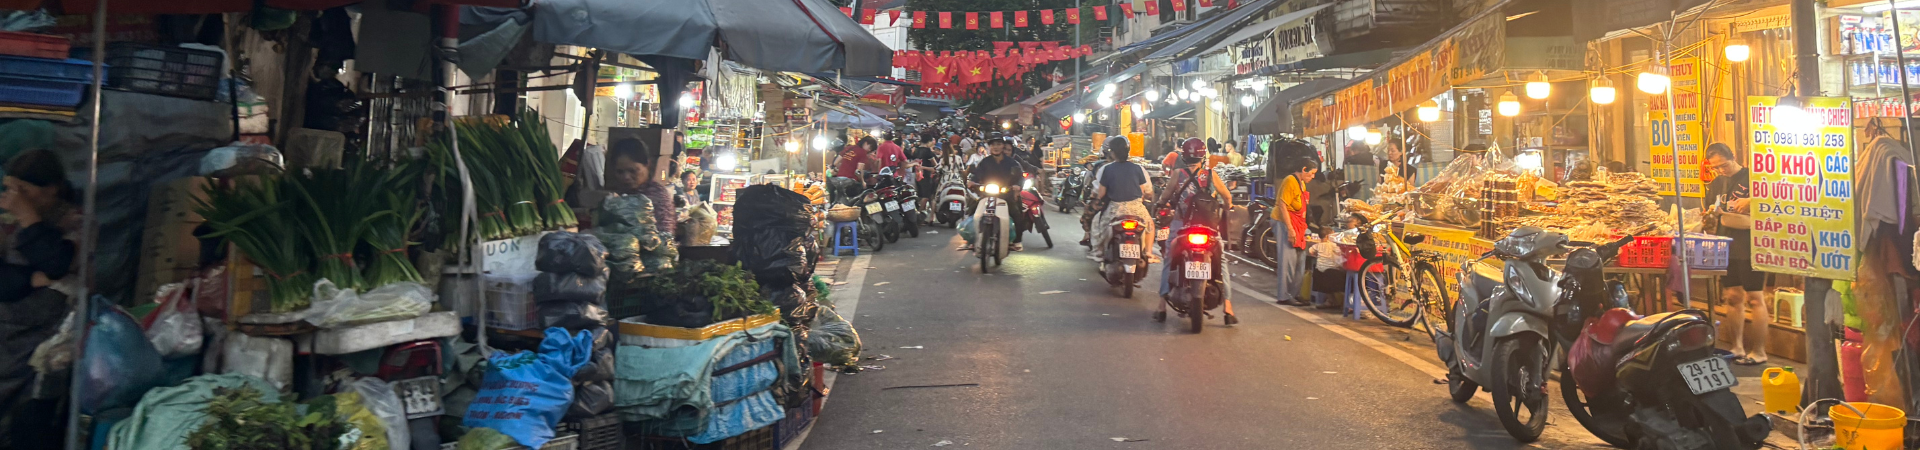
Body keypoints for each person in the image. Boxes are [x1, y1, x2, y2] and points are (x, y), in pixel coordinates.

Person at [0, 150, 77, 450]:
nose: (15, 198)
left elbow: (57, 264)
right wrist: (30, 279)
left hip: (51, 338)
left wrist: (28, 217)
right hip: (6, 333)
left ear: (51, 189)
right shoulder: (4, 221)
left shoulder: (74, 221)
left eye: (24, 191)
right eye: (11, 189)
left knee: (32, 419)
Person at [1154, 138, 1237, 325]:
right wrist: (1227, 207)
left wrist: (1160, 205)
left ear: (1184, 156)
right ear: (1203, 156)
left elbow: (1165, 196)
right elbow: (1227, 196)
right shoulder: (1210, 174)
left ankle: (1161, 305)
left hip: (1181, 226)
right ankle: (1228, 307)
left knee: (1169, 258)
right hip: (1208, 227)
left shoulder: (1178, 174)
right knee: (1221, 259)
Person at [1704, 143, 1767, 365]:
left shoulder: (1754, 178)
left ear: (1734, 156)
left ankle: (1759, 351)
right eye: (1715, 167)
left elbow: (1776, 202)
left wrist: (1753, 201)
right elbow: (1711, 210)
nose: (1721, 170)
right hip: (1726, 245)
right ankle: (1737, 347)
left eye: (1724, 165)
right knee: (1732, 296)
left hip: (1751, 245)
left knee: (1755, 298)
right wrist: (1711, 213)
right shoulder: (1717, 183)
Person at [1087, 136, 1155, 262]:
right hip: (1137, 209)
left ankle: (1098, 252)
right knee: (1149, 225)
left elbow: (1101, 194)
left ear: (1112, 152)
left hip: (1115, 209)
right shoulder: (1138, 168)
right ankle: (1149, 253)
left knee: (1097, 224)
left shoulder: (1107, 169)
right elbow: (1142, 191)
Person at [1271, 143, 1318, 306]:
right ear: (1303, 169)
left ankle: (1295, 293)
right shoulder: (1290, 181)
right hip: (1284, 222)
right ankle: (1284, 296)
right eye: (1311, 173)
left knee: (1300, 259)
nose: (1313, 177)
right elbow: (1282, 205)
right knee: (1288, 260)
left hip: (1297, 224)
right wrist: (1290, 229)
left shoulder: (1302, 183)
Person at [969, 136, 1034, 251]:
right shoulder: (985, 162)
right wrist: (972, 181)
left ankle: (1017, 241)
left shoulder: (1011, 162)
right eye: (993, 144)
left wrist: (1017, 186)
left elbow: (1020, 177)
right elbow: (977, 174)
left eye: (998, 144)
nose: (996, 147)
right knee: (972, 210)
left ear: (1003, 146)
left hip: (1006, 194)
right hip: (987, 194)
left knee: (1016, 214)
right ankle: (972, 239)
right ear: (989, 147)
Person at [604, 138, 677, 237]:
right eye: (620, 172)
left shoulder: (657, 197)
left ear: (647, 164)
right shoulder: (619, 195)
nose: (626, 177)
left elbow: (664, 236)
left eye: (633, 171)